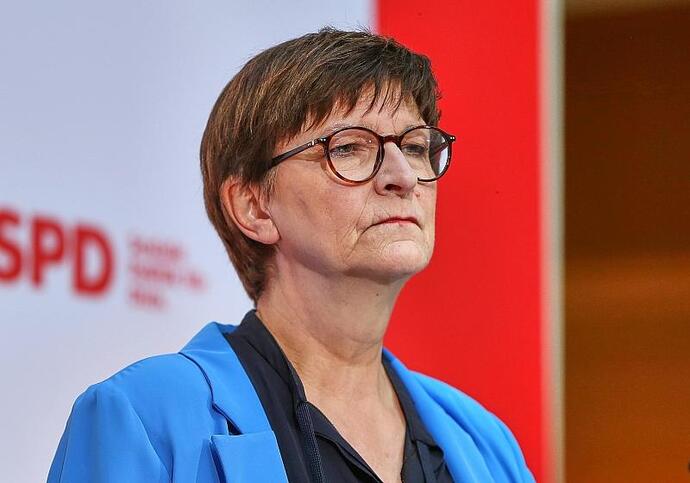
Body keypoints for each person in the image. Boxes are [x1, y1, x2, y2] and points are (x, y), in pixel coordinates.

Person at [48, 28, 535, 483]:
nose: (403, 177)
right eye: (349, 148)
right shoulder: (144, 415)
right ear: (253, 206)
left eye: (414, 146)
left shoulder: (487, 444)